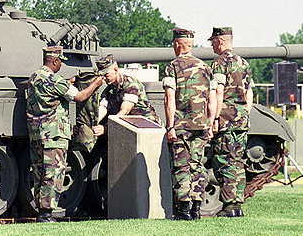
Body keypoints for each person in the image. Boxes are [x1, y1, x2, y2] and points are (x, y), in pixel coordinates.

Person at [25, 45, 103, 223]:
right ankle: (46, 214)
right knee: (53, 173)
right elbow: (81, 97)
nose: (61, 65)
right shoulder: (55, 80)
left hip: (37, 134)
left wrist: (68, 82)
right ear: (54, 60)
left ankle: (41, 212)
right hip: (54, 135)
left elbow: (53, 90)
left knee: (39, 174)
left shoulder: (35, 77)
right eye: (60, 62)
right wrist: (95, 84)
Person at [163, 28, 216, 220]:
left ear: (177, 44)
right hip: (201, 125)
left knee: (181, 167)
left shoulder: (172, 67)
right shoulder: (205, 67)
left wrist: (170, 126)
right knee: (197, 166)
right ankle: (196, 209)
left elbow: (170, 98)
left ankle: (184, 210)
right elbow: (212, 100)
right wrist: (210, 124)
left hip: (181, 126)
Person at [208, 27, 254, 218]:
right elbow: (249, 92)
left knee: (223, 162)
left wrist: (215, 118)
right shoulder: (243, 63)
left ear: (220, 41)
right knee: (236, 162)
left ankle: (228, 207)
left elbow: (218, 91)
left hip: (225, 120)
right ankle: (237, 206)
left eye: (212, 42)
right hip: (241, 120)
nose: (211, 45)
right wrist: (244, 113)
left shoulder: (219, 63)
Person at [95, 54, 160, 137]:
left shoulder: (131, 85)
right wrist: (93, 124)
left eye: (106, 75)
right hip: (130, 127)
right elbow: (103, 108)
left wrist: (105, 128)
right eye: (102, 75)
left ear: (115, 70)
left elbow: (124, 111)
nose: (104, 78)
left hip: (147, 127)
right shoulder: (109, 90)